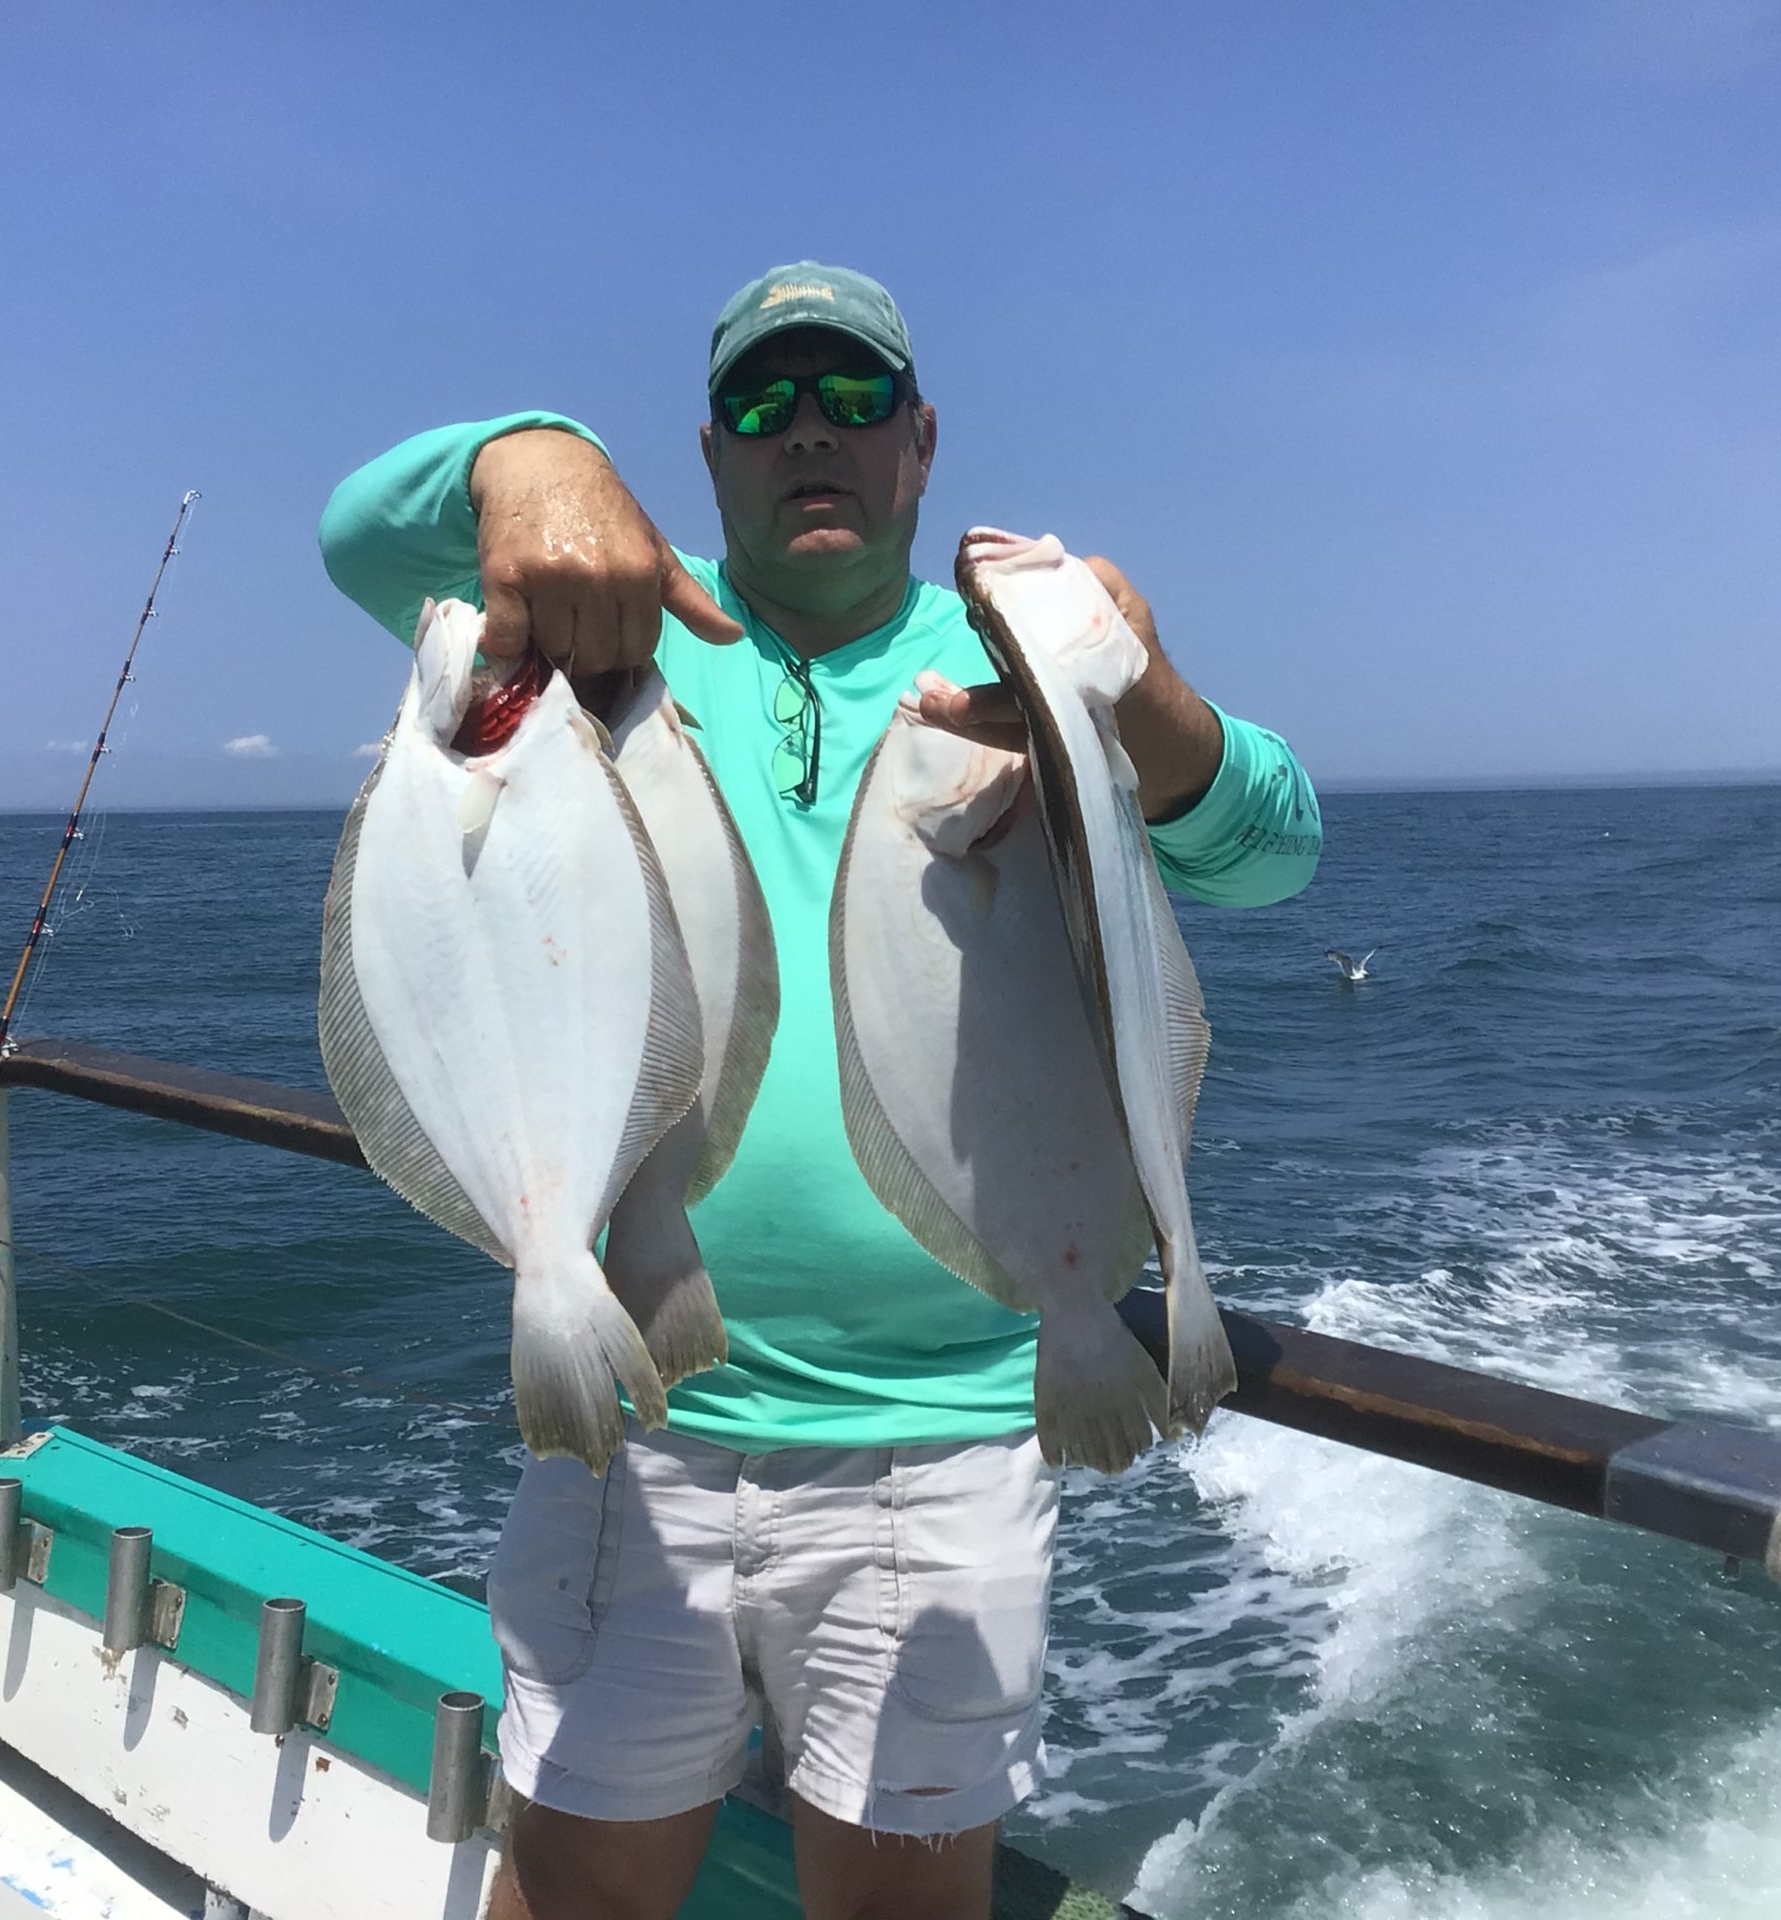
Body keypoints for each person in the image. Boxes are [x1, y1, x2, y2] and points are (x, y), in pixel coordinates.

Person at [319, 262, 1320, 1920]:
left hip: (941, 1437)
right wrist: (527, 457)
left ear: (920, 446)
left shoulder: (1021, 670)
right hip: (642, 1417)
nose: (812, 437)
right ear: (706, 459)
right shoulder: (606, 636)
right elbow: (362, 537)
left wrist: (1130, 705)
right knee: (569, 1892)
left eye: (854, 402)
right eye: (766, 407)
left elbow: (1278, 849)